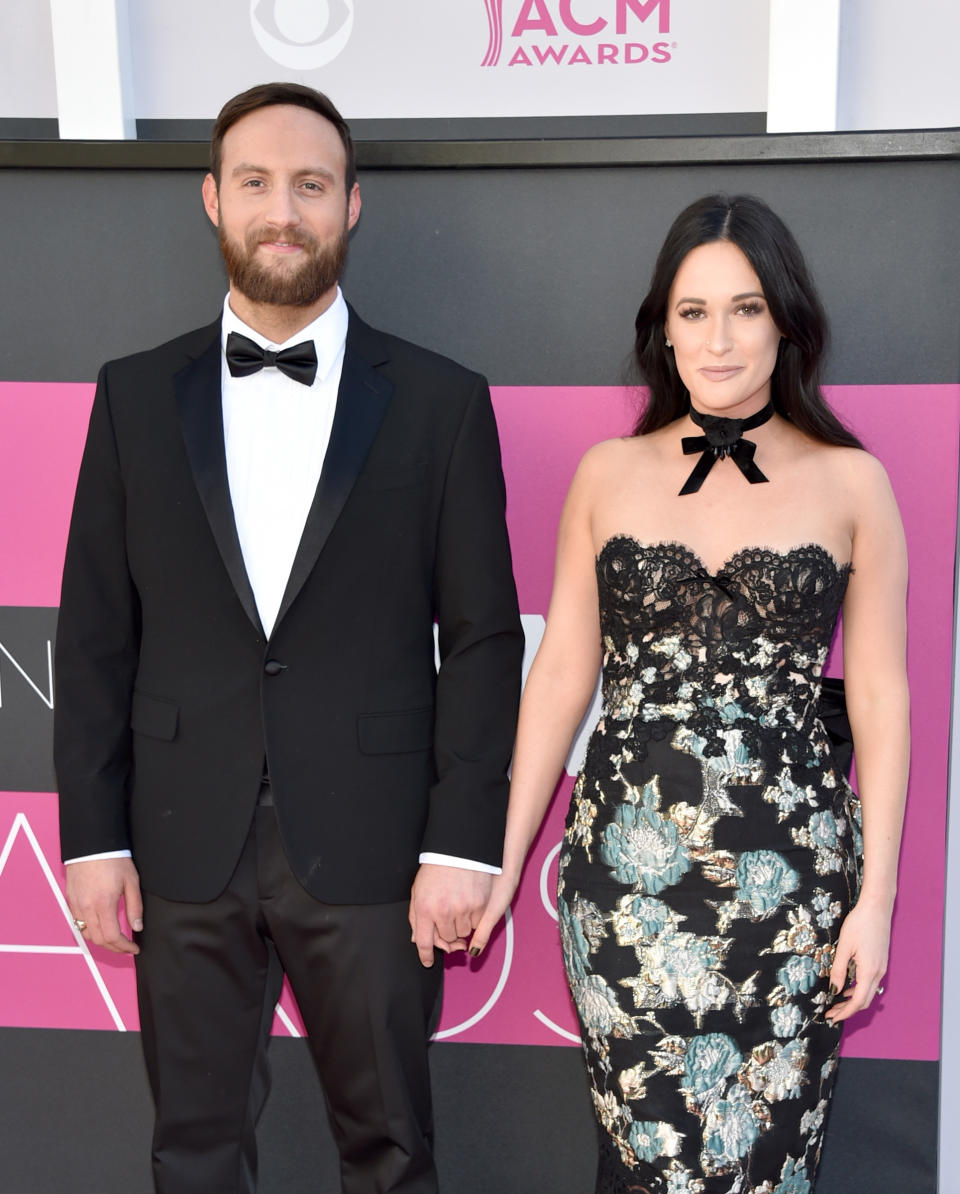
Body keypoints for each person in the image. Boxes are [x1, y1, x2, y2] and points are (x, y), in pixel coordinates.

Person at [54, 82, 523, 1194]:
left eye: (310, 184)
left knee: (393, 1152)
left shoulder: (443, 403)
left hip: (373, 844)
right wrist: (91, 837)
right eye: (256, 182)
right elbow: (93, 636)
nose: (283, 208)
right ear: (212, 200)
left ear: (351, 206)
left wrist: (461, 845)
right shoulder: (130, 397)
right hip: (180, 839)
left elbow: (487, 637)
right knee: (194, 1150)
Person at [469, 194, 908, 1193]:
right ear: (661, 327)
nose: (720, 339)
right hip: (627, 893)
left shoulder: (853, 485)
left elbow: (880, 701)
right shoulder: (608, 474)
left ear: (786, 320)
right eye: (694, 311)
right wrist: (499, 865)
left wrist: (873, 900)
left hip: (794, 897)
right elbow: (561, 677)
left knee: (767, 1168)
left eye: (746, 309)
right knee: (644, 1166)